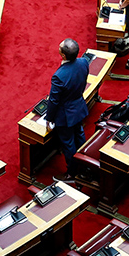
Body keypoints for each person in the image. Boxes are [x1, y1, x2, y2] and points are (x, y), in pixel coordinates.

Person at [44, 38, 90, 181]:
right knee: (80, 134)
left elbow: (54, 100)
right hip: (79, 107)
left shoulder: (59, 76)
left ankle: (71, 173)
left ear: (63, 56)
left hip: (65, 115)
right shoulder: (84, 62)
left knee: (68, 143)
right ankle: (84, 166)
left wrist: (49, 118)